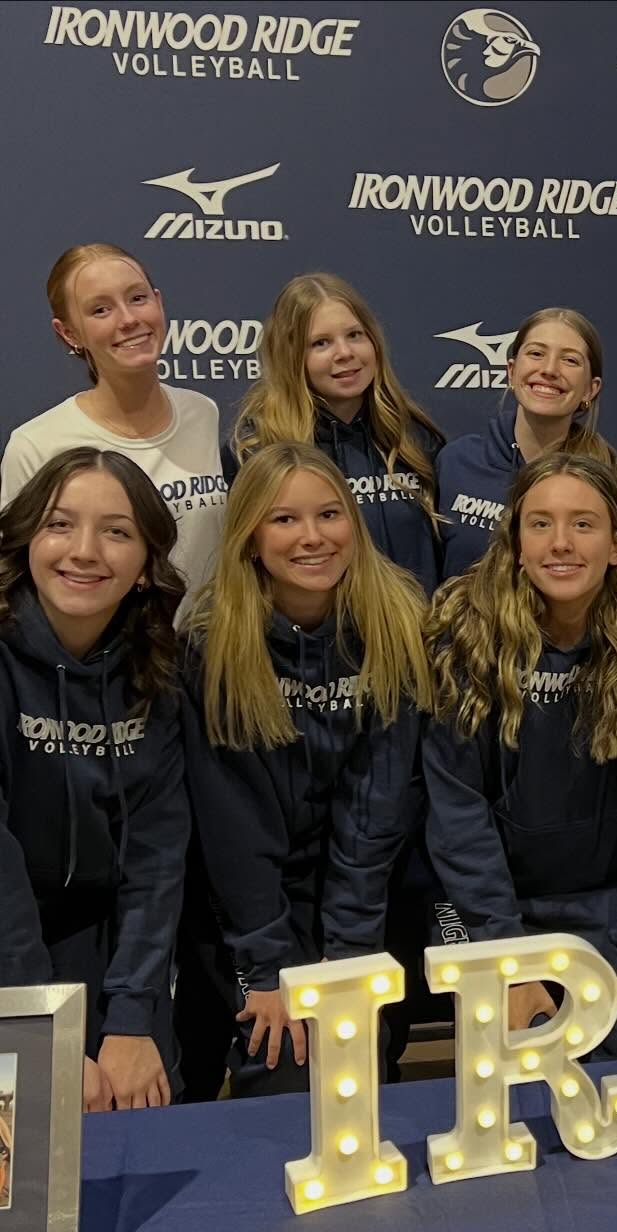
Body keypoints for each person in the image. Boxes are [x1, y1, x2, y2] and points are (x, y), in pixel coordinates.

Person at [424, 452, 617, 1056]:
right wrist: (506, 955)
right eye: (540, 524)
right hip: (491, 909)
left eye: (583, 524)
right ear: (516, 544)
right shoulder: (466, 634)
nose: (561, 543)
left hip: (609, 907)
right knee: (514, 1062)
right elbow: (458, 811)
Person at [178, 441, 431, 1097]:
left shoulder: (396, 624)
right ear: (250, 537)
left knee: (354, 1060)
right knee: (285, 1066)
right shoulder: (213, 644)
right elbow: (233, 829)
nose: (312, 537)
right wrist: (267, 970)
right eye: (284, 519)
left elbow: (376, 808)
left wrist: (345, 958)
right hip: (246, 902)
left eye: (329, 514)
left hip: (357, 889)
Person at [0, 448, 188, 1109]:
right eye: (60, 524)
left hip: (104, 946)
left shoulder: (156, 669)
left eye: (116, 531)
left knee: (137, 1099)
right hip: (10, 943)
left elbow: (157, 856)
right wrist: (42, 1025)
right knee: (34, 1128)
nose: (84, 551)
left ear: (146, 567)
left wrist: (132, 1018)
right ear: (26, 539)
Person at [1, 244, 224, 609]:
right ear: (69, 333)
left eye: (137, 298)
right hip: (115, 645)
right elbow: (16, 583)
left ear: (158, 302)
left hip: (212, 640)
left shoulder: (203, 413)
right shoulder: (37, 445)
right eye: (100, 310)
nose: (128, 319)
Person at [230, 273, 446, 594]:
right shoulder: (260, 448)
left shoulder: (413, 438)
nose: (344, 353)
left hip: (417, 624)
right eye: (321, 343)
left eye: (355, 335)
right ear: (291, 355)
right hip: (316, 626)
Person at [435, 307, 617, 580]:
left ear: (590, 389)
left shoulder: (605, 472)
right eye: (536, 353)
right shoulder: (457, 461)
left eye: (570, 360)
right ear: (511, 371)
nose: (549, 369)